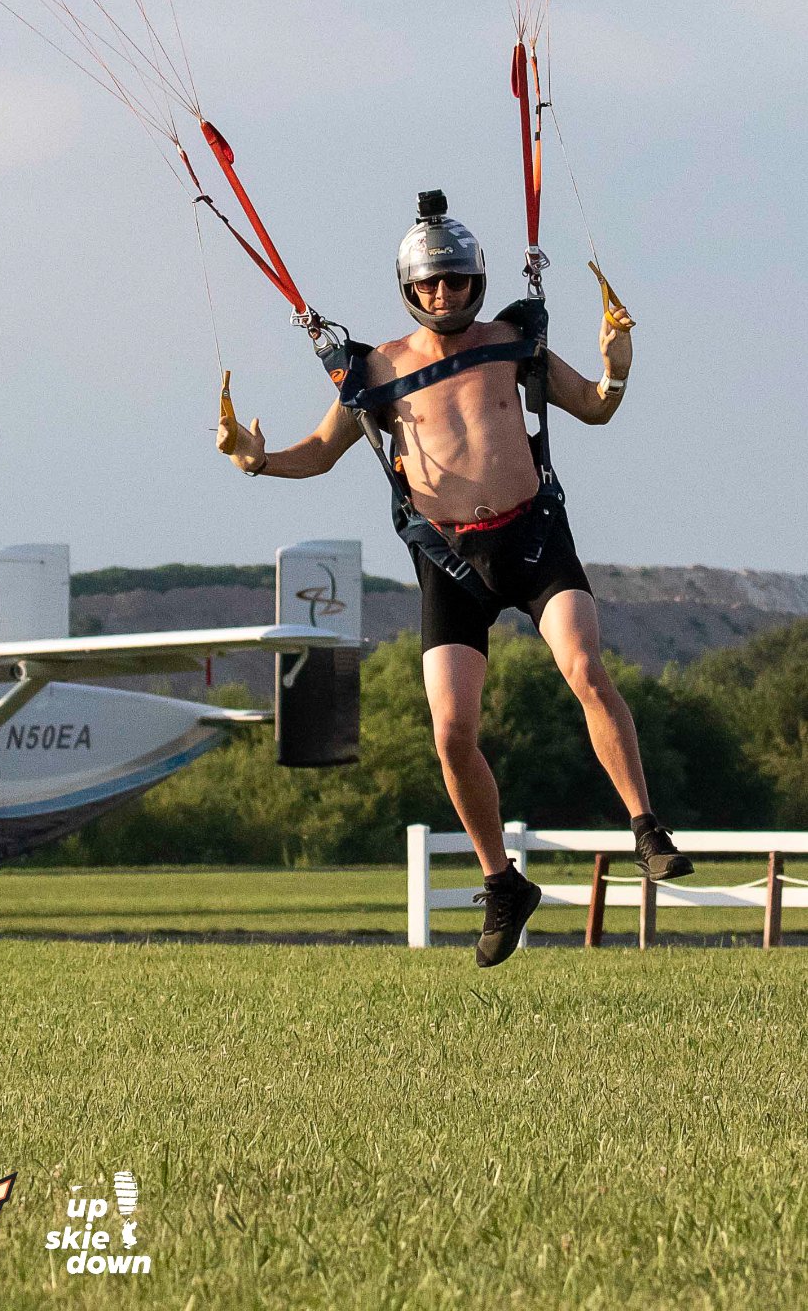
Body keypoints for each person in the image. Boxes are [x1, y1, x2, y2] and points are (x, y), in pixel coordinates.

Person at [217, 193, 691, 967]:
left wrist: (617, 367)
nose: (445, 294)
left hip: (533, 539)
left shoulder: (513, 342)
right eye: (431, 284)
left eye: (457, 281)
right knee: (449, 732)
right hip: (450, 562)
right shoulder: (378, 369)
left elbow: (593, 408)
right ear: (410, 289)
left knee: (584, 668)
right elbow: (320, 452)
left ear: (477, 280)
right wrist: (256, 459)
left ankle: (646, 829)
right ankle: (503, 884)